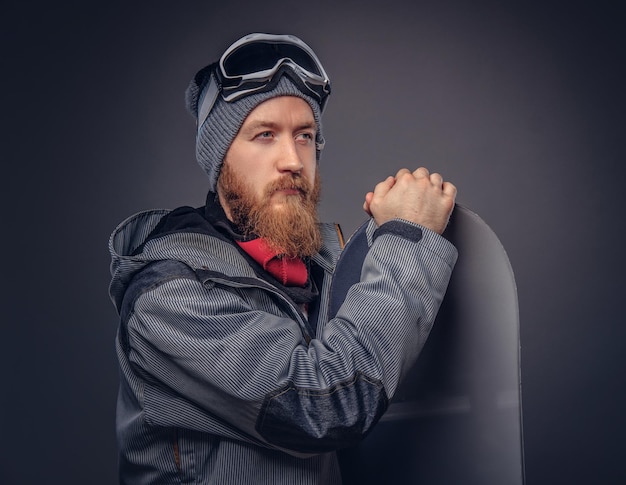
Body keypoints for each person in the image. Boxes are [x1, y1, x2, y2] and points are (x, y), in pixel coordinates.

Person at [108, 32, 458, 484]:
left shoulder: (319, 264)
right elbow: (324, 407)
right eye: (265, 135)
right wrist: (406, 240)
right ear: (221, 160)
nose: (293, 159)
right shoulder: (168, 295)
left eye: (305, 136)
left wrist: (382, 239)